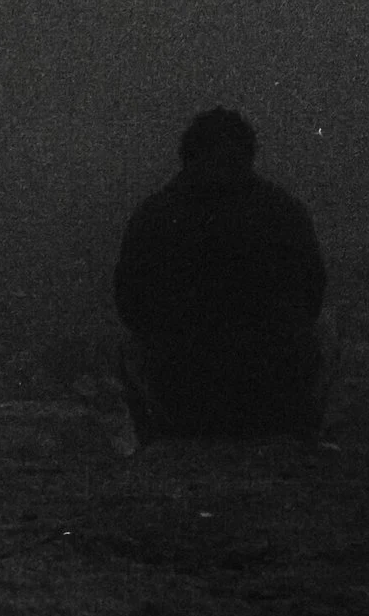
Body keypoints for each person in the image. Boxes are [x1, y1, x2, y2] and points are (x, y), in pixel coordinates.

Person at [115, 108, 332, 443]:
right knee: (330, 331)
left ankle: (155, 439)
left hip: (181, 393)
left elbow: (129, 305)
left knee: (123, 349)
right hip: (274, 391)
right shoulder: (283, 211)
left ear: (187, 156)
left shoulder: (155, 215)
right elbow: (313, 296)